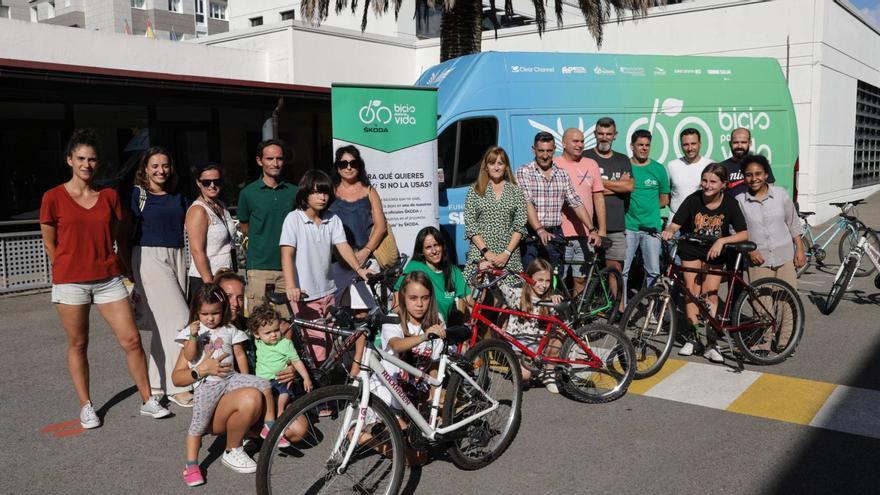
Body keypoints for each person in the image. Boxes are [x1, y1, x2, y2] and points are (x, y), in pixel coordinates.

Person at [40, 129, 170, 429]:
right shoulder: (53, 197)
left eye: (92, 159)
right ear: (69, 160)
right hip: (70, 282)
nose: (87, 164)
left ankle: (148, 400)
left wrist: (120, 267)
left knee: (132, 340)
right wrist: (66, 267)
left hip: (108, 278)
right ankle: (86, 405)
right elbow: (50, 243)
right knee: (78, 344)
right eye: (81, 158)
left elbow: (113, 235)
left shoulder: (109, 196)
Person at [176, 284, 271, 486]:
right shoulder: (194, 331)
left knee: (262, 385)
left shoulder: (229, 329)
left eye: (216, 313)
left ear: (223, 310)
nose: (210, 318)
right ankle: (191, 465)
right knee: (197, 426)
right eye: (205, 313)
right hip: (208, 385)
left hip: (231, 379)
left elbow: (239, 354)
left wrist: (246, 380)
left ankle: (268, 425)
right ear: (196, 312)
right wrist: (193, 336)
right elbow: (189, 356)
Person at [125, 146, 193, 408]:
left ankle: (155, 384)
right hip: (148, 256)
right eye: (155, 166)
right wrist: (125, 266)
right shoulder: (137, 195)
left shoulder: (179, 196)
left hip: (177, 255)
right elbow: (123, 229)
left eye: (165, 165)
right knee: (179, 319)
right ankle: (178, 386)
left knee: (162, 325)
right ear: (145, 169)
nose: (160, 170)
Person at [279, 169, 370, 365]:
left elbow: (343, 247)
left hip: (328, 293)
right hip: (304, 296)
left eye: (325, 192)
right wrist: (291, 286)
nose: (322, 197)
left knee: (329, 347)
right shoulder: (293, 219)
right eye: (316, 192)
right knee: (318, 352)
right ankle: (322, 394)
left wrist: (359, 269)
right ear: (305, 193)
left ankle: (327, 391)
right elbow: (286, 255)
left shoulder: (332, 219)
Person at [661, 163, 749, 363]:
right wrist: (669, 230)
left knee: (710, 294)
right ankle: (693, 338)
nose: (707, 185)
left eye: (713, 181)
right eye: (705, 180)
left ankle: (711, 342)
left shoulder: (730, 203)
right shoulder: (693, 199)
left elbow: (744, 233)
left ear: (723, 184)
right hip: (691, 249)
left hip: (715, 253)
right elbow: (676, 223)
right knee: (691, 292)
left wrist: (722, 240)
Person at [516, 131, 601, 271]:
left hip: (555, 234)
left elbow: (577, 203)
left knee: (555, 279)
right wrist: (540, 229)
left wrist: (592, 229)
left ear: (554, 150)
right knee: (532, 281)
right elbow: (527, 203)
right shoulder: (524, 171)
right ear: (533, 149)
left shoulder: (561, 174)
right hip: (531, 234)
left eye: (549, 151)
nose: (545, 155)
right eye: (541, 151)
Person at [238, 139, 297, 314]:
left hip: (288, 268)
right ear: (259, 161)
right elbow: (245, 227)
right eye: (270, 158)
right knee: (259, 321)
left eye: (279, 158)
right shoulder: (248, 193)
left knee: (287, 322)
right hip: (259, 267)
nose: (275, 163)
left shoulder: (294, 192)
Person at [329, 145, 387, 308]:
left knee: (366, 310)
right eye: (343, 164)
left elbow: (380, 226)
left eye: (353, 163)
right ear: (337, 167)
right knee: (338, 309)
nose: (348, 167)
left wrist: (366, 251)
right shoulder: (329, 191)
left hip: (366, 259)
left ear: (359, 165)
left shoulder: (369, 191)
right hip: (336, 261)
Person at [735, 155, 806, 287]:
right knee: (762, 305)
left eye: (758, 174)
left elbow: (793, 223)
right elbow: (735, 232)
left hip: (785, 257)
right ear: (744, 177)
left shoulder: (781, 194)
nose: (754, 178)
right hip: (758, 260)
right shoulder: (739, 201)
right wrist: (751, 251)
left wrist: (800, 249)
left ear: (766, 175)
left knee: (787, 303)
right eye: (749, 175)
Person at [462, 145, 528, 286]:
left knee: (506, 302)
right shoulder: (475, 190)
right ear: (486, 167)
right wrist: (487, 252)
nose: (496, 167)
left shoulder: (516, 191)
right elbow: (471, 225)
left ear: (506, 167)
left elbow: (520, 226)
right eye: (492, 163)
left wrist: (506, 253)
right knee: (477, 296)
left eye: (500, 163)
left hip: (508, 254)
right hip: (481, 252)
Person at [582, 117, 633, 301]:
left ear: (615, 135)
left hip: (616, 226)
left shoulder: (622, 159)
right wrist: (617, 185)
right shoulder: (586, 157)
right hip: (588, 226)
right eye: (601, 134)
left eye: (608, 134)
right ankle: (588, 311)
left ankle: (618, 311)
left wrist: (598, 183)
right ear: (595, 134)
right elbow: (583, 187)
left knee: (615, 271)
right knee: (585, 273)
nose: (604, 138)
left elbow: (628, 187)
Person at [496, 258, 564, 392]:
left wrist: (557, 302)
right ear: (529, 278)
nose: (543, 285)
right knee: (525, 377)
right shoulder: (517, 294)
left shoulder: (549, 299)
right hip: (519, 346)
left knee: (561, 332)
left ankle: (549, 372)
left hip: (538, 347)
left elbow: (561, 323)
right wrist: (489, 272)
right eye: (539, 280)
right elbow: (497, 289)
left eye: (547, 281)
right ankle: (520, 369)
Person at [249, 304, 313, 441]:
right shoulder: (258, 342)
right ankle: (266, 427)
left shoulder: (285, 344)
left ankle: (276, 423)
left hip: (280, 379)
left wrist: (306, 378)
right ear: (257, 335)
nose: (273, 335)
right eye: (267, 333)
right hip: (262, 382)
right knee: (265, 403)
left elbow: (296, 361)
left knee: (283, 396)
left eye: (276, 330)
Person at [556, 128, 606, 295]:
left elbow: (598, 198)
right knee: (558, 279)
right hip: (560, 233)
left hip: (585, 233)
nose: (580, 145)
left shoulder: (591, 164)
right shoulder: (554, 164)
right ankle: (558, 317)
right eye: (575, 141)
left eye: (582, 141)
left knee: (580, 279)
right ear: (563, 143)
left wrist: (602, 230)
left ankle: (577, 317)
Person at [622, 130, 670, 307]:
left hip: (651, 228)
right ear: (632, 146)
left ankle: (652, 309)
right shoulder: (625, 166)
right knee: (623, 272)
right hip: (628, 227)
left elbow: (664, 199)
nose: (644, 148)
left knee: (653, 272)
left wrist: (647, 208)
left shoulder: (658, 169)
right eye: (640, 145)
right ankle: (622, 308)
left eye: (647, 145)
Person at [397, 226, 469, 323]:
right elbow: (397, 301)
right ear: (421, 251)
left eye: (436, 245)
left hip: (441, 331)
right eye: (428, 247)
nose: (434, 251)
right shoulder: (414, 267)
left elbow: (470, 302)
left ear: (442, 246)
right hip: (416, 330)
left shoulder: (454, 272)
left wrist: (479, 282)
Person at [185, 163, 236, 299]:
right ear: (198, 183)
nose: (212, 186)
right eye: (207, 182)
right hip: (207, 278)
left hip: (225, 276)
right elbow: (197, 251)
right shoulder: (198, 210)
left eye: (217, 181)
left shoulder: (221, 205)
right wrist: (210, 285)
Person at [667, 128, 713, 217]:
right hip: (675, 223)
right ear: (681, 145)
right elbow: (666, 195)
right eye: (686, 144)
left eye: (693, 144)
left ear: (700, 144)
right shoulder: (671, 165)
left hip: (701, 221)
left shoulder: (710, 165)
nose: (690, 148)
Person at [721, 127, 775, 197]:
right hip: (732, 207)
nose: (739, 146)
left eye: (743, 142)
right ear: (730, 144)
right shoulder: (722, 167)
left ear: (750, 143)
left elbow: (771, 189)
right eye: (735, 142)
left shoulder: (760, 163)